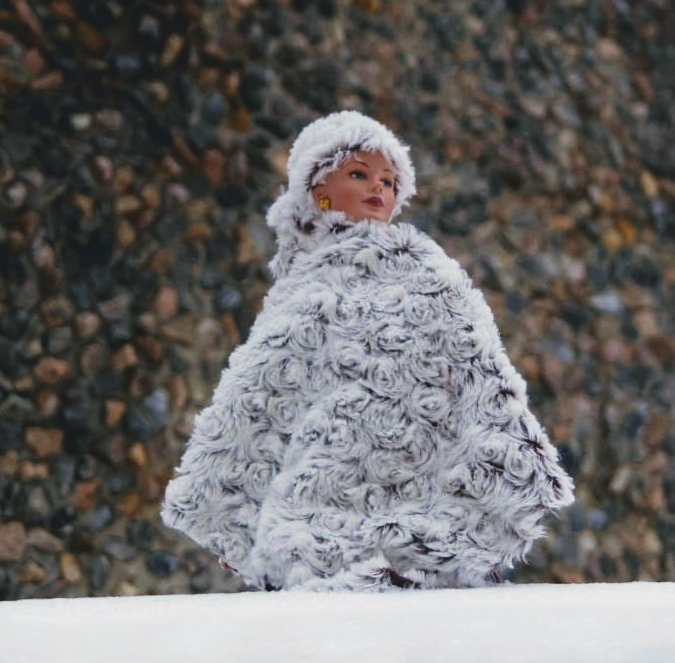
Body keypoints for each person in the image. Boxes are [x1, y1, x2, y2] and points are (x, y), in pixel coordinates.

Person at [161, 110, 575, 591]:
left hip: (414, 446)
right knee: (315, 547)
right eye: (358, 174)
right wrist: (218, 487)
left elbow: (472, 355)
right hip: (327, 457)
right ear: (318, 190)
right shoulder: (302, 284)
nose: (378, 188)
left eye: (389, 181)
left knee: (409, 550)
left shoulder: (422, 267)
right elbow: (261, 385)